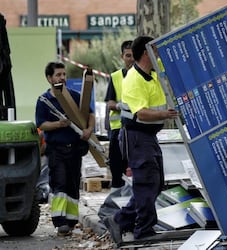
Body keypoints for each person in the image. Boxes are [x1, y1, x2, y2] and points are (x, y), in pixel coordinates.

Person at [104, 36, 178, 244]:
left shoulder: (151, 73)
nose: (158, 53)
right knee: (146, 183)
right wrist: (166, 114)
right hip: (136, 137)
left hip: (147, 137)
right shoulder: (134, 80)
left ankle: (121, 220)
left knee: (155, 184)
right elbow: (142, 114)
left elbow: (171, 61)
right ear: (146, 53)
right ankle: (143, 229)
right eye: (154, 49)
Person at [35, 61, 95, 236]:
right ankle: (60, 221)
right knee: (59, 183)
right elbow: (42, 124)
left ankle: (71, 221)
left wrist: (89, 130)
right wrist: (58, 124)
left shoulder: (75, 96)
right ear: (49, 78)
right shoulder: (44, 101)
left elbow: (90, 114)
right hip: (56, 149)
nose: (62, 78)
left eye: (64, 74)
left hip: (75, 149)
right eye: (58, 75)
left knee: (72, 183)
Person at [104, 40, 134, 192]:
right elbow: (109, 103)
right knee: (117, 165)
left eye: (134, 55)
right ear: (122, 56)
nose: (131, 59)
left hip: (136, 128)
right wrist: (118, 106)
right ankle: (116, 192)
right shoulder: (116, 77)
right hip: (118, 129)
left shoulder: (144, 76)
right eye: (128, 55)